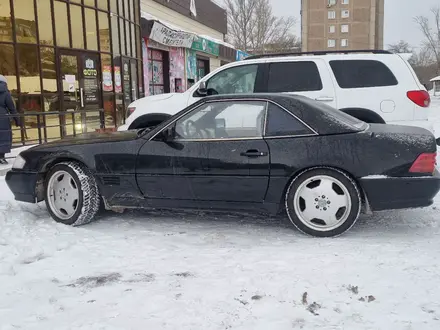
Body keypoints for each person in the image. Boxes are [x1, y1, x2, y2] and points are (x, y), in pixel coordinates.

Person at [0, 75, 20, 164]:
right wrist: (17, 120)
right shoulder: (5, 93)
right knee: (4, 136)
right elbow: (12, 108)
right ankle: (1, 157)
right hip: (3, 117)